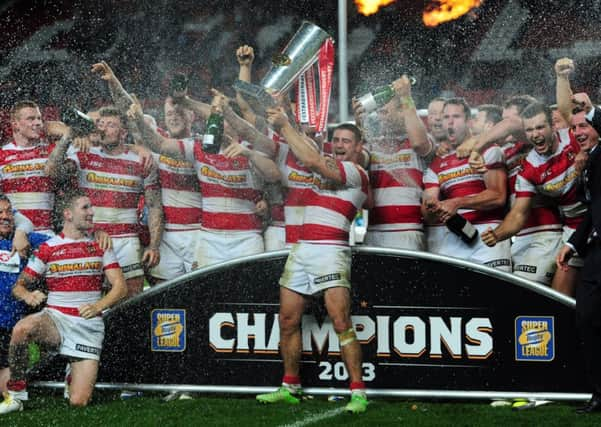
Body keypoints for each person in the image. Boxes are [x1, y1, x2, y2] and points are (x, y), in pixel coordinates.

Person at [257, 110, 369, 414]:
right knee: (288, 320)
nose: (339, 144)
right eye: (335, 140)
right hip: (303, 249)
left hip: (332, 249)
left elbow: (313, 160)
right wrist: (288, 121)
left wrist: (283, 126)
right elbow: (307, 155)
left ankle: (358, 392)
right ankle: (290, 386)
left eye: (347, 140)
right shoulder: (324, 169)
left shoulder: (357, 174)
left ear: (359, 147)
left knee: (341, 321)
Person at [0, 191, 127, 413]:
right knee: (22, 329)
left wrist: (98, 306)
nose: (92, 212)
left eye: (91, 207)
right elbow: (19, 286)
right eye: (85, 208)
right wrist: (29, 295)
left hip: (87, 326)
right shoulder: (49, 248)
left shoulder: (99, 245)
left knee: (78, 401)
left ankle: (71, 372)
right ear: (68, 214)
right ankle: (17, 396)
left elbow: (121, 287)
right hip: (56, 320)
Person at [45, 106, 163, 298]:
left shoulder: (141, 159)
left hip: (126, 241)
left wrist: (154, 245)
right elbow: (51, 171)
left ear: (123, 132)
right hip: (91, 237)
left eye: (111, 125)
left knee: (131, 298)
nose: (103, 128)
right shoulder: (85, 152)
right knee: (89, 296)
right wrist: (68, 136)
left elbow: (154, 206)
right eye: (101, 124)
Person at [480, 102, 586, 295]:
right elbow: (519, 214)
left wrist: (585, 152)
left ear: (552, 126)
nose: (535, 134)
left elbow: (581, 112)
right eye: (529, 130)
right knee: (559, 299)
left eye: (540, 127)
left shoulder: (572, 137)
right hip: (575, 228)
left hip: (595, 214)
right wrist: (497, 234)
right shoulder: (528, 169)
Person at [422, 98, 510, 270]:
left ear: (469, 121)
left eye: (456, 116)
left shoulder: (488, 150)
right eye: (446, 117)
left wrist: (457, 202)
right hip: (455, 235)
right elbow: (428, 210)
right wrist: (432, 205)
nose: (450, 121)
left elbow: (498, 196)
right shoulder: (437, 164)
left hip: (489, 234)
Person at [556, 99, 601, 414]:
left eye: (584, 125)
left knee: (589, 318)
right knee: (587, 318)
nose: (578, 132)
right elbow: (593, 209)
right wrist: (574, 243)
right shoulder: (591, 160)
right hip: (595, 251)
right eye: (573, 128)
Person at [356, 75, 433, 250]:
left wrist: (406, 97)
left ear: (402, 111)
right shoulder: (374, 144)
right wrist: (358, 124)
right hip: (375, 231)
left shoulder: (419, 139)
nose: (381, 118)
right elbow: (357, 159)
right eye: (379, 112)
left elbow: (420, 144)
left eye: (385, 112)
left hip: (408, 231)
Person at [0, 195, 50, 393]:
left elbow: (64, 243)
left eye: (8, 212)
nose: (5, 216)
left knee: (5, 389)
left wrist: (97, 234)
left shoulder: (28, 240)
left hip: (12, 327)